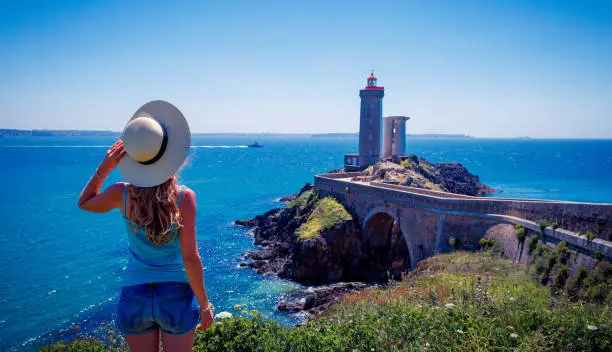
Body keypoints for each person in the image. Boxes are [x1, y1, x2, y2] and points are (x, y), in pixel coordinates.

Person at [78, 100, 213, 351]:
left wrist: (105, 167)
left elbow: (85, 202)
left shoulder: (122, 194)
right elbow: (191, 258)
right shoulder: (185, 198)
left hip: (134, 297)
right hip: (176, 297)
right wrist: (205, 306)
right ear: (171, 154)